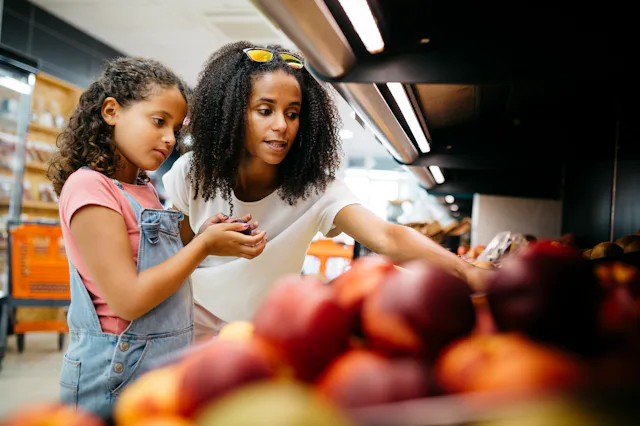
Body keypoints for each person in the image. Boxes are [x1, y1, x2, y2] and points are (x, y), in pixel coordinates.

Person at [163, 41, 487, 342]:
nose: (282, 125)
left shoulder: (317, 188)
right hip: (183, 327)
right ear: (231, 114)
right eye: (265, 110)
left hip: (261, 336)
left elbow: (388, 237)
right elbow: (168, 260)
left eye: (292, 113)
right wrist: (205, 243)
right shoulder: (192, 173)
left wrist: (468, 273)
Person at [48, 57, 266, 417]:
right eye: (158, 121)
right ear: (111, 111)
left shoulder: (143, 187)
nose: (170, 139)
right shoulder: (89, 187)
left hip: (157, 366)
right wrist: (202, 247)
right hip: (114, 374)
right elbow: (128, 300)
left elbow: (160, 260)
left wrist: (203, 230)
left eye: (176, 129)